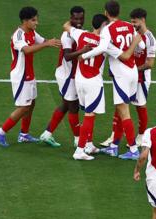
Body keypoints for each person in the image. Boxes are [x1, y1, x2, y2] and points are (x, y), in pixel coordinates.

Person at [64, 15, 143, 160]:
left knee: (104, 111)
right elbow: (126, 54)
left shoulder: (80, 34)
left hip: (79, 80)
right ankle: (81, 150)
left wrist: (75, 21)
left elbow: (66, 26)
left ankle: (93, 145)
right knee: (92, 114)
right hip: (95, 81)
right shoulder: (106, 43)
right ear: (103, 26)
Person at [0, 6, 61, 147]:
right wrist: (47, 44)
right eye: (34, 20)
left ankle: (23, 134)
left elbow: (43, 41)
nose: (37, 23)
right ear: (25, 21)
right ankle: (1, 131)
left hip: (29, 74)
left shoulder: (32, 32)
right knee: (24, 107)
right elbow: (27, 50)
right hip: (21, 76)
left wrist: (59, 42)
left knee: (32, 104)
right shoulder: (18, 35)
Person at [101, 7, 156, 147]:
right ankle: (115, 136)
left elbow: (150, 64)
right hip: (130, 74)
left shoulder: (150, 39)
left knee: (140, 106)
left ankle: (141, 136)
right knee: (120, 106)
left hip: (142, 78)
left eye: (135, 22)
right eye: (131, 22)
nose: (132, 24)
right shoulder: (131, 32)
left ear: (143, 20)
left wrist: (133, 68)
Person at [39, 6, 90, 147]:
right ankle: (78, 140)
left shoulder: (80, 32)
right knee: (73, 107)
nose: (79, 21)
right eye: (76, 18)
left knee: (66, 105)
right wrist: (83, 50)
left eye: (81, 18)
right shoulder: (67, 35)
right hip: (67, 76)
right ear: (70, 18)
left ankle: (47, 134)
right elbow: (67, 56)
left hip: (71, 75)